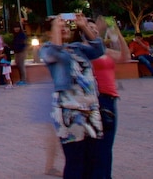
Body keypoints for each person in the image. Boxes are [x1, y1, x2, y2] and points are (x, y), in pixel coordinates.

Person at [40, 14, 105, 179]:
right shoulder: (47, 49)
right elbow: (54, 53)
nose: (65, 29)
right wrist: (56, 27)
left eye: (66, 26)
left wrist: (84, 26)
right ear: (50, 33)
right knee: (75, 160)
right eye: (60, 27)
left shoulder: (78, 48)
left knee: (94, 159)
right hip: (69, 110)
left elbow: (99, 49)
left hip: (90, 108)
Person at [91, 17, 128, 179]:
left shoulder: (105, 51)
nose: (94, 31)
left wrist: (117, 33)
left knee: (106, 146)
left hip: (111, 98)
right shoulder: (87, 50)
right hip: (98, 99)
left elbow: (124, 57)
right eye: (90, 28)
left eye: (94, 28)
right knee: (99, 146)